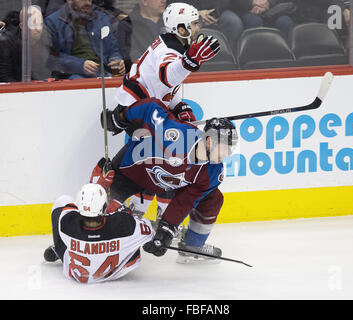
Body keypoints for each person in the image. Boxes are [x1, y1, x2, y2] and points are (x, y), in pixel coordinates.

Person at [110, 2, 220, 224]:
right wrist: (191, 62)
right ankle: (138, 212)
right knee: (163, 160)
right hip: (137, 113)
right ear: (181, 29)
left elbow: (166, 88)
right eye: (193, 24)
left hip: (145, 111)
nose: (197, 28)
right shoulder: (168, 50)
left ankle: (139, 210)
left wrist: (178, 106)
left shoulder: (173, 45)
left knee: (156, 161)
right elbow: (167, 76)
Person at [92, 98, 238, 261]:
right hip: (130, 173)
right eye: (226, 148)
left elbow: (185, 201)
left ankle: (192, 246)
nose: (227, 154)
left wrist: (166, 230)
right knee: (101, 213)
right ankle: (72, 238)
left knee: (214, 198)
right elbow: (150, 107)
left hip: (164, 185)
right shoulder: (176, 134)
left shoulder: (213, 172)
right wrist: (120, 118)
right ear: (210, 142)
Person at [43, 183, 153, 283]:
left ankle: (57, 249)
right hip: (113, 274)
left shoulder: (67, 222)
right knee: (133, 239)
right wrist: (126, 214)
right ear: (104, 207)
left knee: (63, 199)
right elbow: (149, 229)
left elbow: (69, 206)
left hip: (76, 274)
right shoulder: (123, 224)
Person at [44, 0, 125, 79]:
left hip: (106, 74)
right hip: (74, 77)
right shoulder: (53, 22)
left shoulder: (102, 18)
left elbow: (113, 48)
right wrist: (80, 65)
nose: (88, 2)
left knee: (130, 81)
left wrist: (116, 59)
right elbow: (51, 57)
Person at [0, 6, 51, 82]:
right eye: (33, 25)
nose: (38, 29)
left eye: (40, 24)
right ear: (22, 26)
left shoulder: (47, 38)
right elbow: (5, 78)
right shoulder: (7, 45)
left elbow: (54, 69)